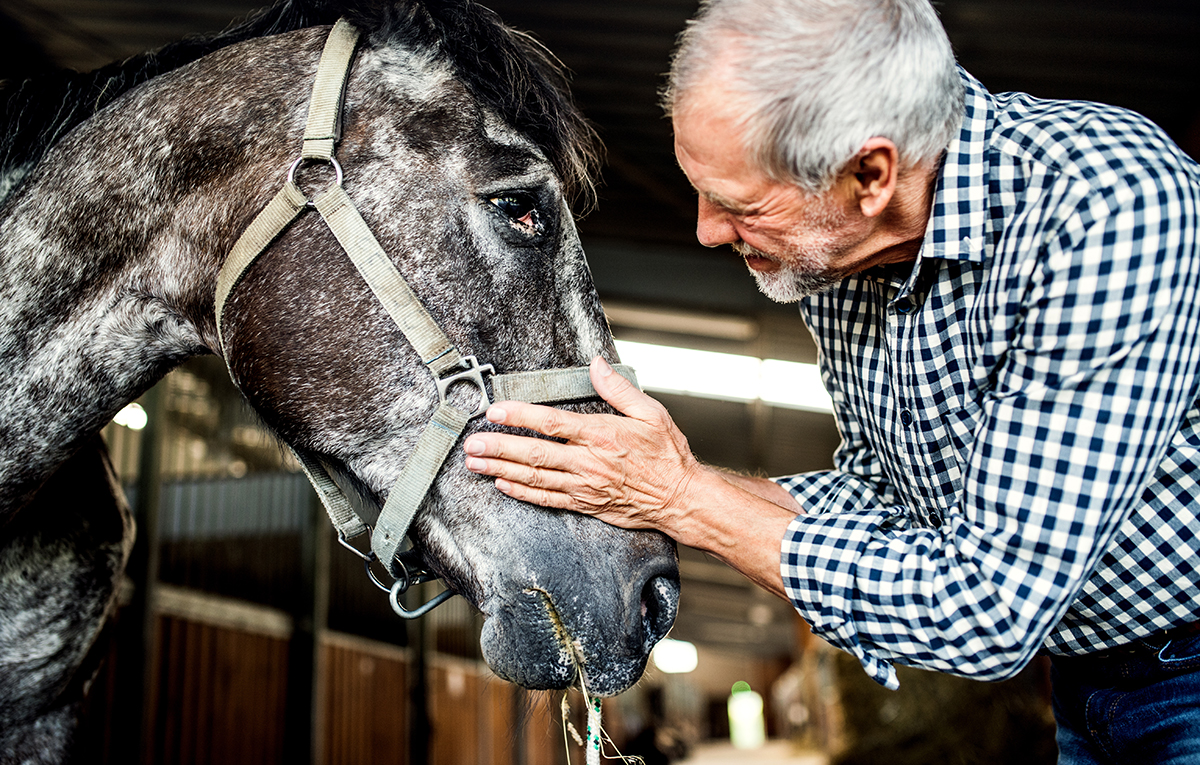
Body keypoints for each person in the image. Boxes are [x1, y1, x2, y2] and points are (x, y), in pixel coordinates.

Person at [462, 0, 1200, 761]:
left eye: (737, 203)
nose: (706, 230)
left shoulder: (1103, 211)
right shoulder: (844, 255)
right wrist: (648, 485)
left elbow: (989, 606)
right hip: (1088, 674)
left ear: (870, 173)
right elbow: (884, 495)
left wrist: (681, 495)